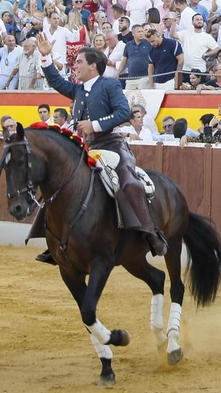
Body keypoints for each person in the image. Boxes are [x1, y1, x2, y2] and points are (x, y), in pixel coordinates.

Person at [40, 46, 165, 257]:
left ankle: (149, 232)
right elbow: (55, 81)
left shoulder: (110, 84)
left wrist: (95, 125)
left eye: (79, 62)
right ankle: (56, 240)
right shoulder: (78, 89)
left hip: (111, 144)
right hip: (84, 147)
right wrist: (45, 57)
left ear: (93, 65)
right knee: (57, 183)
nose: (75, 66)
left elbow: (124, 112)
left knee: (128, 181)